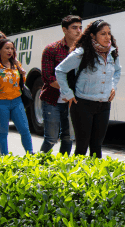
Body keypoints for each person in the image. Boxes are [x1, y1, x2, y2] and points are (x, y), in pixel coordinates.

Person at [55, 19, 121, 158]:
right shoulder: (82, 52)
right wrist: (67, 93)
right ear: (92, 35)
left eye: (109, 33)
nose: (107, 37)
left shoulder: (112, 53)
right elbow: (60, 70)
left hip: (104, 104)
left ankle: (94, 179)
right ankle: (75, 178)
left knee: (97, 147)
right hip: (82, 105)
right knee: (82, 147)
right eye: (103, 34)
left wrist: (113, 87)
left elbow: (117, 71)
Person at [38, 15, 82, 154]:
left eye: (80, 27)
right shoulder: (51, 49)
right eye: (74, 28)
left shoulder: (82, 50)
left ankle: (62, 169)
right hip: (52, 100)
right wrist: (68, 90)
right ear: (64, 30)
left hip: (72, 101)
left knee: (68, 138)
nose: (78, 31)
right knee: (51, 138)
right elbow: (48, 77)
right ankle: (38, 166)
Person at [0, 39, 34, 155]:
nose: (10, 51)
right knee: (3, 132)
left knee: (25, 130)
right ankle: (4, 158)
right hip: (0, 103)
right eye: (7, 48)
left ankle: (30, 155)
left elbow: (20, 83)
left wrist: (22, 71)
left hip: (17, 102)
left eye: (12, 48)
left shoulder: (16, 64)